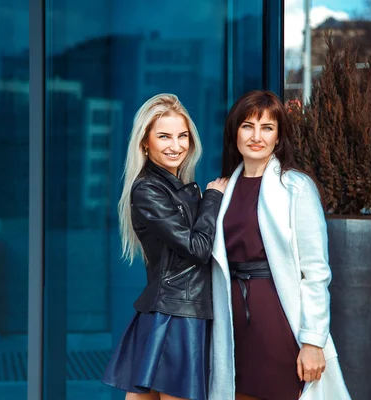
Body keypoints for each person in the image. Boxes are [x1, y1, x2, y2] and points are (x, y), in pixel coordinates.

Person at [208, 91, 351, 400]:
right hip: (231, 322)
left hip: (279, 319)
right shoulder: (222, 189)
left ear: (278, 137)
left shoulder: (296, 187)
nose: (256, 136)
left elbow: (315, 272)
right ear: (235, 133)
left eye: (267, 128)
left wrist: (313, 341)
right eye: (248, 126)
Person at [102, 93, 227, 400]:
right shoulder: (148, 189)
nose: (176, 145)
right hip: (176, 317)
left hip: (169, 313)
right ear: (145, 143)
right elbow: (198, 248)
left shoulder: (175, 187)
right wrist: (212, 198)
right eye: (164, 136)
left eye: (182, 135)